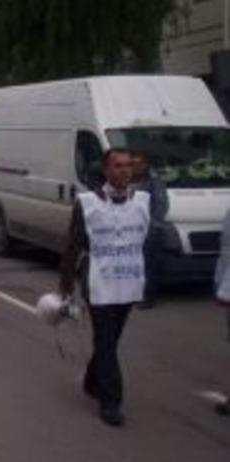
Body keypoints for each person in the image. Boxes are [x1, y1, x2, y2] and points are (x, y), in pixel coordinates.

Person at [60, 148, 150, 428]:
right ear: (106, 170)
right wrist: (65, 286)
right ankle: (111, 401)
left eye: (128, 165)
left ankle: (91, 378)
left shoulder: (144, 201)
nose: (125, 170)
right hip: (98, 283)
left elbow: (147, 242)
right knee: (106, 338)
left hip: (128, 282)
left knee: (111, 339)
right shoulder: (87, 203)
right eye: (118, 165)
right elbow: (73, 245)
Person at [133, 152, 168, 309]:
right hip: (135, 229)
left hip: (150, 229)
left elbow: (161, 204)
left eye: (139, 164)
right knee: (138, 263)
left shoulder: (153, 180)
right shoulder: (135, 179)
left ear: (146, 164)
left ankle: (148, 298)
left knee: (149, 265)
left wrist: (153, 225)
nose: (136, 167)